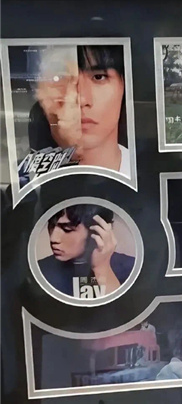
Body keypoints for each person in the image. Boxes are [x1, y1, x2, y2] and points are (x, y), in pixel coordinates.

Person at [27, 45, 130, 177]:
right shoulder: (23, 182)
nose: (81, 99)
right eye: (59, 77)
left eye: (99, 77)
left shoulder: (147, 177)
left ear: (124, 86)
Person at [38, 204, 134, 297]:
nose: (53, 239)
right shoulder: (40, 270)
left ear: (97, 231)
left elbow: (123, 307)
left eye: (67, 229)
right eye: (51, 226)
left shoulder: (131, 268)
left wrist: (102, 268)